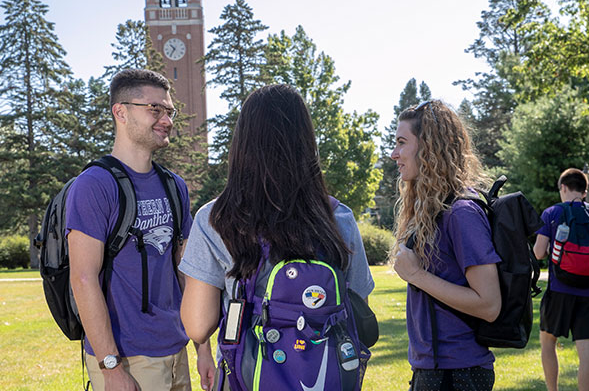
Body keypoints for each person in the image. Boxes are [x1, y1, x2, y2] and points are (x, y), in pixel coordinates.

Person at [178, 84, 375, 390]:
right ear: (305, 141)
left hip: (245, 376)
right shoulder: (338, 217)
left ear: (242, 143)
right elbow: (358, 304)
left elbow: (197, 325)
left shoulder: (216, 218)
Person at [67, 68, 209, 390]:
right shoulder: (94, 185)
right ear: (121, 112)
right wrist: (111, 367)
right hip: (127, 359)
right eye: (154, 109)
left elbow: (186, 273)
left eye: (169, 110)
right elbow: (83, 278)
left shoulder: (175, 186)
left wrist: (203, 349)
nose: (167, 119)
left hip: (177, 350)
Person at [391, 100, 501, 390]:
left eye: (402, 142)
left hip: (459, 373)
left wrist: (416, 275)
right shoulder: (432, 211)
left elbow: (489, 304)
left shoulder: (461, 213)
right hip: (434, 370)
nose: (394, 154)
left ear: (429, 147)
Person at [533, 168, 589, 391]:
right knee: (586, 349)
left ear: (563, 187)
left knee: (547, 343)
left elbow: (539, 253)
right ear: (584, 190)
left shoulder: (551, 213)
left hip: (559, 290)